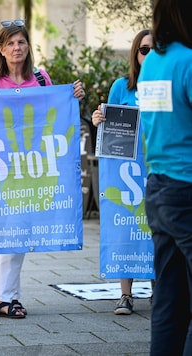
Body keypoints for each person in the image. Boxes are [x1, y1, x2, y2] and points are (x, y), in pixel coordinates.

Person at [0, 19, 85, 319]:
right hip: (1, 168)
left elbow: (58, 112)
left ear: (28, 47)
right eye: (10, 43)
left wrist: (73, 98)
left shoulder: (40, 78)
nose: (16, 48)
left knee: (20, 230)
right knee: (8, 231)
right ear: (0, 48)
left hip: (33, 167)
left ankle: (6, 296)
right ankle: (4, 298)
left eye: (21, 42)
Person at [136, 0, 192, 354]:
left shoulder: (153, 62)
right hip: (187, 186)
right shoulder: (188, 61)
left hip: (159, 187)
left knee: (170, 299)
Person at [91, 29, 154, 316]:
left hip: (156, 168)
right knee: (126, 227)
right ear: (134, 53)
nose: (149, 55)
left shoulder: (165, 86)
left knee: (155, 229)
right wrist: (98, 118)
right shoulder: (122, 86)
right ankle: (125, 295)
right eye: (143, 50)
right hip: (125, 172)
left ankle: (158, 292)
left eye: (155, 49)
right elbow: (108, 127)